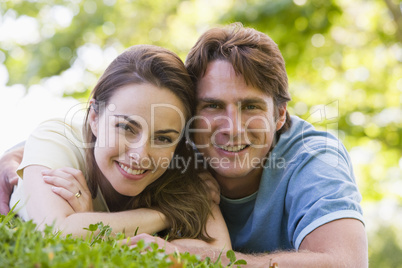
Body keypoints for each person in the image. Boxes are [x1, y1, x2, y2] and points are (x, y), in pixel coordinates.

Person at [1, 24, 367, 266]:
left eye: (251, 106)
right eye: (212, 106)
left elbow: (346, 263)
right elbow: (103, 128)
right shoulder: (180, 149)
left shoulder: (314, 157)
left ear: (280, 115)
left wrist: (190, 257)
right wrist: (19, 155)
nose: (231, 128)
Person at [1, 44, 230, 249]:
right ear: (94, 117)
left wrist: (89, 222)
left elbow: (221, 254)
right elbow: (58, 231)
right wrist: (165, 215)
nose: (140, 155)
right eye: (126, 128)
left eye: (163, 138)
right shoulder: (56, 139)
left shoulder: (180, 167)